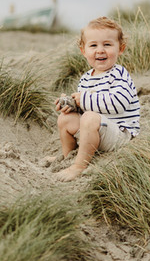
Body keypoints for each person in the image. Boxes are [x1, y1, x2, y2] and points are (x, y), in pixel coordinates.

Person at [54, 16, 140, 182]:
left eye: (107, 44)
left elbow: (118, 104)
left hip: (120, 135)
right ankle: (68, 157)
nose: (100, 50)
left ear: (120, 48)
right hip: (96, 131)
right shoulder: (86, 78)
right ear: (83, 51)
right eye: (93, 45)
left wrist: (84, 100)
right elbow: (86, 107)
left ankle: (79, 166)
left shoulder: (119, 74)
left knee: (90, 117)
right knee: (65, 119)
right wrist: (73, 105)